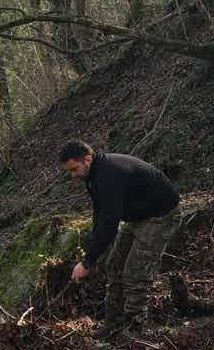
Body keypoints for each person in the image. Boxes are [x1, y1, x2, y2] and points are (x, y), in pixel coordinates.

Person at [59, 140, 181, 333]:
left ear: (87, 159)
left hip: (160, 215)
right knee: (114, 266)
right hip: (137, 216)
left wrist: (87, 262)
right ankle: (112, 324)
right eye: (70, 171)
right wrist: (91, 255)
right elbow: (100, 215)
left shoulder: (109, 175)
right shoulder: (93, 176)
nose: (73, 175)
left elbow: (110, 223)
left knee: (135, 274)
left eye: (74, 169)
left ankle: (136, 329)